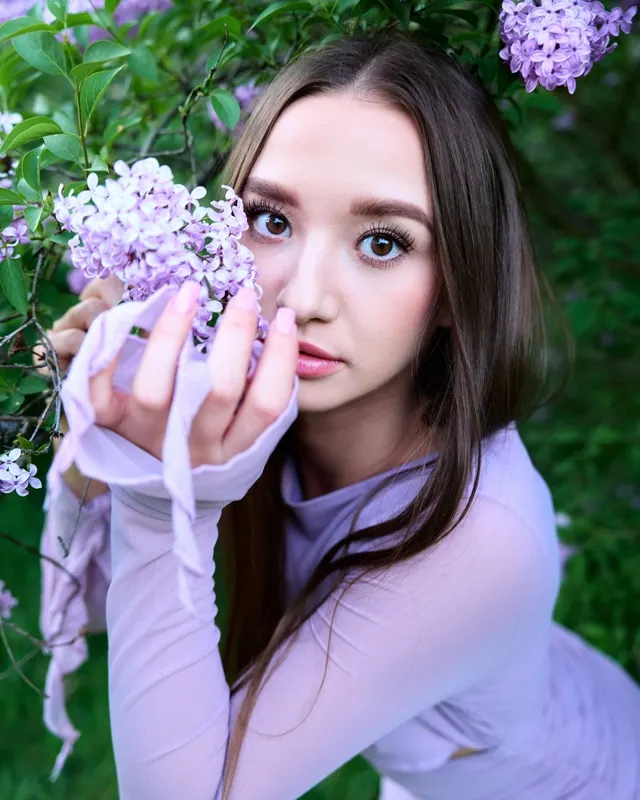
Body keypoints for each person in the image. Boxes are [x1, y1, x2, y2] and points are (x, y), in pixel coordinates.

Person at [38, 31, 640, 800]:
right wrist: (106, 430)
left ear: (460, 283)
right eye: (272, 221)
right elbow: (90, 603)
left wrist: (164, 503)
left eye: (383, 242)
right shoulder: (255, 411)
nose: (304, 297)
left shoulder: (483, 537)